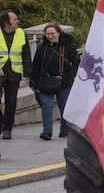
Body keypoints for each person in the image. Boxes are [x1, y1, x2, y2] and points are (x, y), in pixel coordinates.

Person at [31, 23, 79, 141]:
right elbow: (36, 65)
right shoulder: (42, 47)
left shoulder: (68, 46)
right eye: (47, 34)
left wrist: (70, 77)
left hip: (63, 81)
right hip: (45, 81)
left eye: (52, 33)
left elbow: (76, 62)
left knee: (64, 107)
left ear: (58, 33)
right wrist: (33, 81)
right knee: (46, 107)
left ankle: (64, 130)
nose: (50, 36)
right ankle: (47, 131)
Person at [0, 10, 32, 141]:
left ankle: (7, 129)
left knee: (11, 102)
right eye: (15, 19)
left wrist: (27, 73)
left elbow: (26, 55)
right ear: (6, 22)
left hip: (14, 73)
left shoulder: (21, 33)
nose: (17, 21)